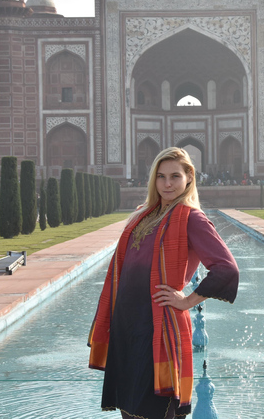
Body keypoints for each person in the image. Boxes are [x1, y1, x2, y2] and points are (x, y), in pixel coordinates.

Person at [88, 147, 240, 419]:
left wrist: (187, 300)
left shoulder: (192, 219)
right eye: (161, 176)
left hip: (159, 330)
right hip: (127, 329)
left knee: (157, 410)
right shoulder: (142, 215)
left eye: (175, 176)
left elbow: (226, 269)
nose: (167, 184)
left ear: (189, 177)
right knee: (129, 410)